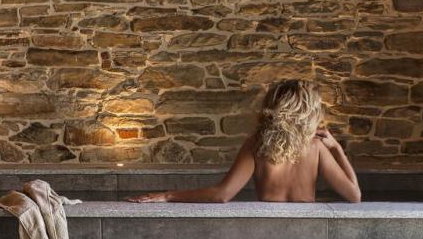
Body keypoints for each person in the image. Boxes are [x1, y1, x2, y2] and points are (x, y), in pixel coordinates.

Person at [127, 80, 361, 203]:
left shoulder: (257, 145)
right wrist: (337, 149)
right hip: (306, 230)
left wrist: (168, 195)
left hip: (265, 229)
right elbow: (354, 196)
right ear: (308, 111)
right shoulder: (316, 148)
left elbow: (222, 194)